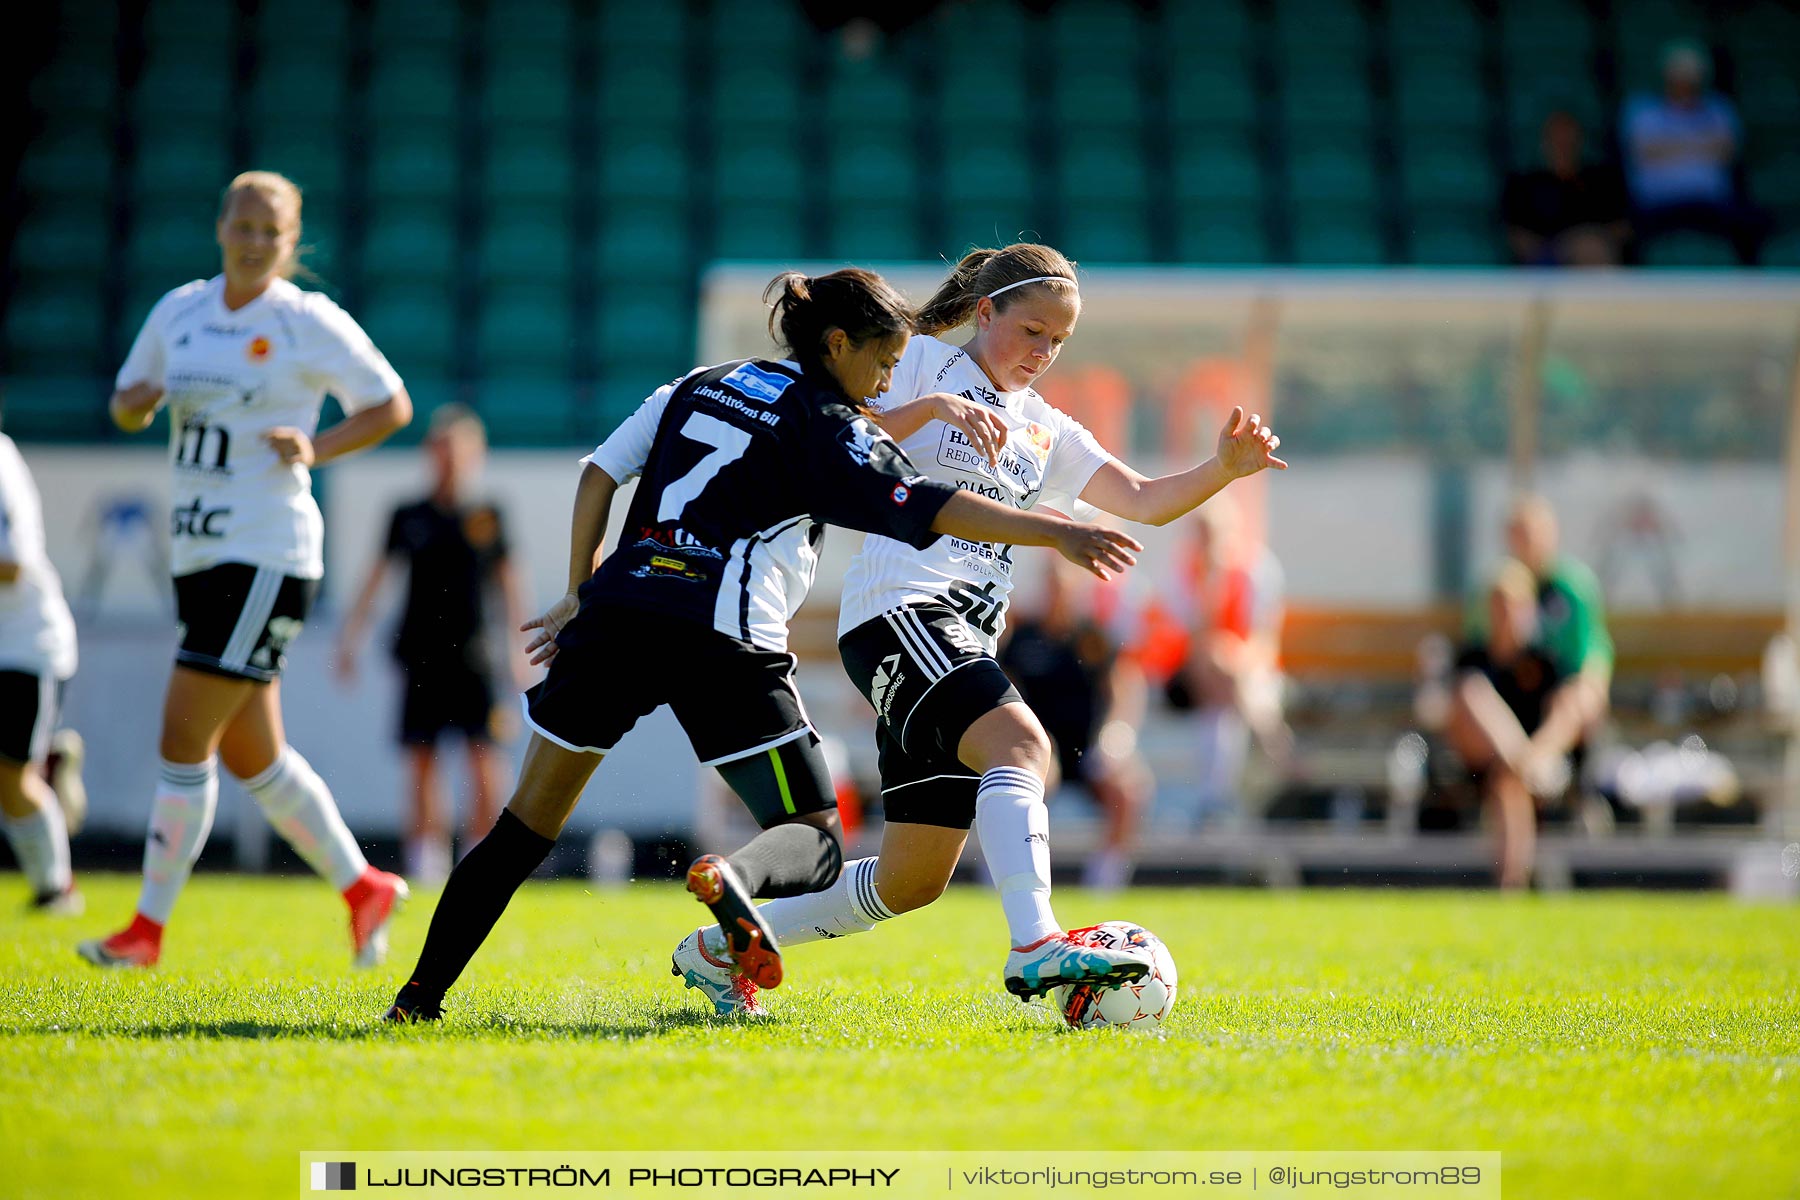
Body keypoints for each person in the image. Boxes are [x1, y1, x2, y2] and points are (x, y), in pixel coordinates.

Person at [383, 268, 1144, 1022]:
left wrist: (579, 585)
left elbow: (599, 472)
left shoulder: (697, 384)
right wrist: (1060, 530)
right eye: (881, 363)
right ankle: (734, 879)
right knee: (812, 844)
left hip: (617, 615)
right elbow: (930, 503)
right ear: (837, 344)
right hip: (722, 632)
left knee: (522, 827)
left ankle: (418, 998)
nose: (884, 383)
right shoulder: (828, 425)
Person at [700, 243, 1286, 1014]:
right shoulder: (916, 365)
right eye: (1033, 331)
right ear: (986, 312)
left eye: (1060, 342)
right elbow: (836, 432)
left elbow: (1141, 497)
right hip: (899, 611)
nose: (1043, 353)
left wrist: (1224, 470)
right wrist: (937, 410)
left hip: (962, 638)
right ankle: (1036, 941)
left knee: (912, 879)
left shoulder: (1045, 427)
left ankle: (723, 947)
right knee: (1024, 747)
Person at [78, 171, 413, 969]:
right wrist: (141, 403)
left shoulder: (305, 321)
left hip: (267, 549)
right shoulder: (180, 312)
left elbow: (390, 404)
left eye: (273, 231)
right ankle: (363, 885)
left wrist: (317, 447)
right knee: (250, 756)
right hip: (199, 551)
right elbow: (125, 402)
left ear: (291, 243)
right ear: (221, 225)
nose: (256, 241)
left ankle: (146, 932)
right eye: (245, 225)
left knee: (182, 732)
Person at [337, 405, 527, 883]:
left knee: (483, 754)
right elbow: (376, 577)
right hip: (419, 653)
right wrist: (350, 639)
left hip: (476, 655)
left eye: (459, 451)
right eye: (441, 450)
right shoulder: (407, 514)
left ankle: (483, 857)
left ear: (475, 455)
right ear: (429, 454)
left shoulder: (488, 514)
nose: (449, 461)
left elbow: (509, 584)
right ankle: (427, 860)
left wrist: (520, 650)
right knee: (420, 758)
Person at [997, 557, 1152, 889]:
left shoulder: (1093, 636)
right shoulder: (1022, 637)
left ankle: (1103, 881)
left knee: (1129, 790)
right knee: (1013, 788)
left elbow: (1123, 688)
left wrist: (1114, 738)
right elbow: (1001, 690)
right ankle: (1009, 876)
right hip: (1040, 748)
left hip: (1089, 748)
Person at [1447, 560, 1583, 888]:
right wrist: (1522, 760)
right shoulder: (1473, 659)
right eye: (1499, 607)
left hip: (1539, 766)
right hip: (1490, 764)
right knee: (1472, 692)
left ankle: (1511, 883)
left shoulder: (1544, 661)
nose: (1505, 616)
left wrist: (1538, 753)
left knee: (1510, 779)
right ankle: (1513, 882)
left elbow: (1566, 715)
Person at [0, 414, 84, 913]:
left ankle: (57, 891)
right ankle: (49, 756)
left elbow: (13, 565)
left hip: (23, 645)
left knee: (12, 781)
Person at [1621, 41, 1769, 265]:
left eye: (1691, 76)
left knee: (1756, 223)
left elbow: (1726, 153)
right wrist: (1700, 145)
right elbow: (1645, 153)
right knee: (1626, 233)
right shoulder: (1643, 111)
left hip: (1711, 204)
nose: (1685, 82)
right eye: (1679, 75)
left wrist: (1671, 145)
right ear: (1666, 76)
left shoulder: (1720, 109)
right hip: (1657, 206)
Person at [1502, 110, 1632, 267]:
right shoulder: (1524, 184)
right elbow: (1517, 236)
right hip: (1546, 261)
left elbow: (1622, 228)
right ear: (1544, 143)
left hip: (1596, 251)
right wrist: (1560, 248)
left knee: (1591, 246)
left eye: (1569, 139)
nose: (1563, 144)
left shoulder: (1601, 180)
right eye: (1557, 140)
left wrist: (1588, 236)